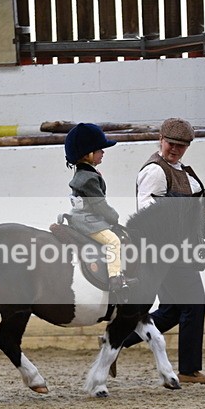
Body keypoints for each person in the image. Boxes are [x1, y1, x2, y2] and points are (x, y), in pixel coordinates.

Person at [122, 117, 205, 384]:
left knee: (171, 310)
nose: (175, 149)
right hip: (165, 251)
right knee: (194, 304)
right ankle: (190, 370)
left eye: (182, 146)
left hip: (176, 249)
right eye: (171, 144)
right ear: (161, 140)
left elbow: (184, 203)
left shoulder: (179, 169)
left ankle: (116, 341)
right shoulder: (155, 171)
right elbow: (146, 210)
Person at [63, 123, 131, 298]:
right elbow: (100, 205)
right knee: (114, 241)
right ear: (88, 154)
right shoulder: (89, 179)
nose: (103, 152)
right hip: (88, 221)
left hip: (80, 216)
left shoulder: (84, 174)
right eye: (100, 149)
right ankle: (115, 278)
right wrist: (114, 217)